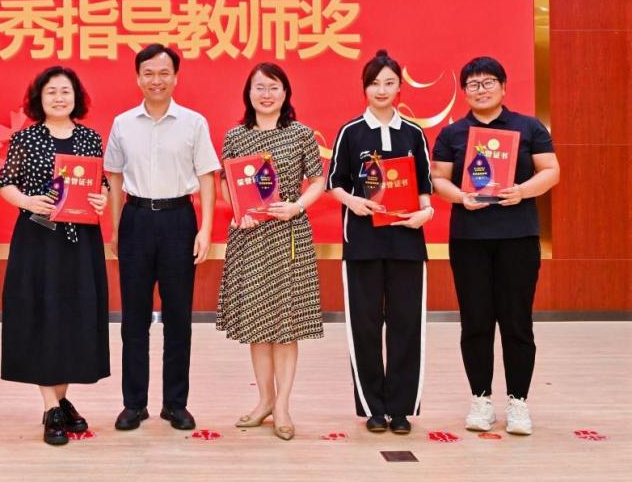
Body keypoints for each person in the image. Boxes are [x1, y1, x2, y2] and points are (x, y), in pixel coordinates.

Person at [431, 56, 559, 436]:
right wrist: (460, 197)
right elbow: (438, 178)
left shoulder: (529, 127)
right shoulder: (453, 133)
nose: (481, 89)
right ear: (464, 91)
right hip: (469, 240)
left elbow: (551, 170)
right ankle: (481, 399)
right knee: (476, 321)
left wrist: (522, 191)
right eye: (473, 84)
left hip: (518, 237)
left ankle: (518, 402)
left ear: (503, 87)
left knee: (517, 322)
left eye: (488, 82)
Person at [105, 43, 220, 432]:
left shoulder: (193, 123)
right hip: (136, 219)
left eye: (164, 73)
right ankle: (134, 404)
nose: (157, 80)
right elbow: (114, 178)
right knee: (133, 319)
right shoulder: (123, 123)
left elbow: (207, 176)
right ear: (138, 78)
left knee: (178, 318)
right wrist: (116, 227)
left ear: (176, 77)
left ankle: (175, 404)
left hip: (178, 221)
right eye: (149, 73)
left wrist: (205, 228)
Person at [0, 66, 110, 446]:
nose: (59, 98)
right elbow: (6, 185)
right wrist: (29, 201)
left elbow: (101, 186)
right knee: (42, 318)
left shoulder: (90, 139)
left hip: (80, 242)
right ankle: (51, 407)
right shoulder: (26, 138)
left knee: (73, 320)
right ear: (39, 99)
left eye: (65, 91)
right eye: (51, 92)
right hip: (39, 240)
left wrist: (101, 199)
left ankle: (61, 403)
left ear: (76, 97)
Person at [326, 49, 433, 435]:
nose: (382, 90)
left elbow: (424, 186)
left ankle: (401, 409)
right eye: (375, 83)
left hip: (407, 242)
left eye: (389, 83)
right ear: (365, 88)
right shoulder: (350, 132)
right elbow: (334, 182)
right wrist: (354, 202)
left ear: (400, 87)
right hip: (363, 242)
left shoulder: (414, 133)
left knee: (406, 325)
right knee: (365, 326)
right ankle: (373, 407)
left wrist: (426, 212)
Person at [216, 63, 325, 441]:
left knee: (286, 325)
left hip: (288, 235)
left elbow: (318, 181)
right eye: (259, 87)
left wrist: (297, 206)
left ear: (285, 93)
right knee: (257, 325)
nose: (266, 94)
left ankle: (282, 406)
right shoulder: (235, 136)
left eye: (273, 87)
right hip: (250, 237)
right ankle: (264, 400)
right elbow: (225, 184)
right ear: (248, 93)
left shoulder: (300, 134)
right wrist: (238, 212)